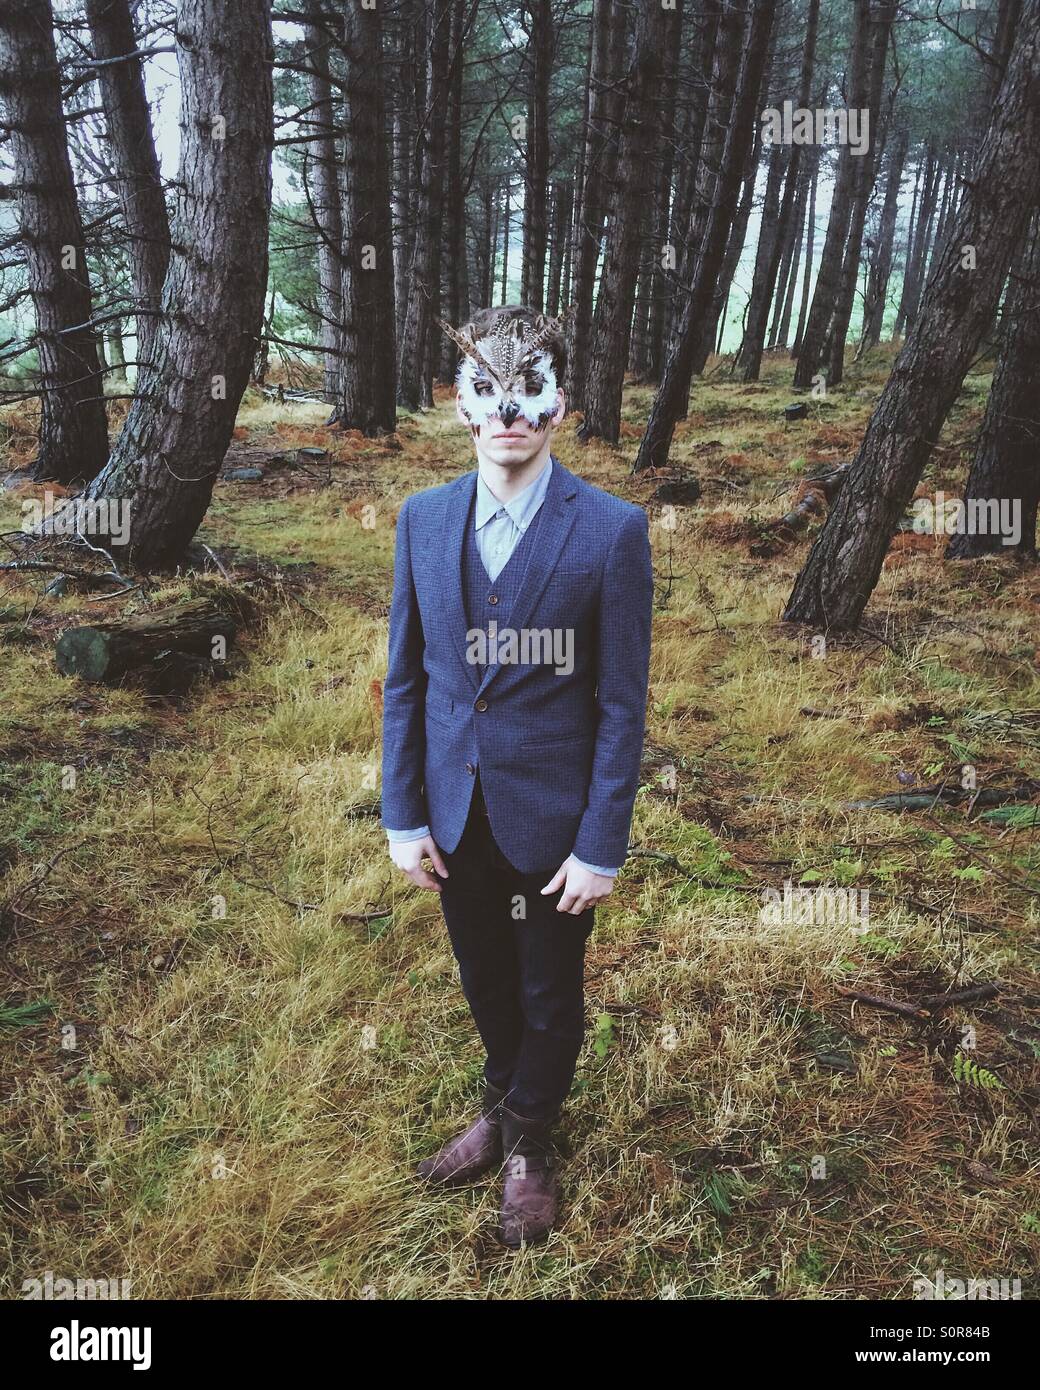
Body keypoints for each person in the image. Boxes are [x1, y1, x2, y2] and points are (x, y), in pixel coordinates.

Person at [381, 303, 653, 1245]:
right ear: (461, 407)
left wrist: (602, 844)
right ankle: (501, 1104)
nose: (508, 411)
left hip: (555, 816)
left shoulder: (613, 530)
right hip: (453, 807)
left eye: (528, 389)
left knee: (547, 986)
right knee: (483, 974)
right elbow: (407, 682)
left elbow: (622, 703)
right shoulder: (421, 521)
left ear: (560, 406)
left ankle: (533, 1139)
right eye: (487, 392)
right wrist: (402, 815)